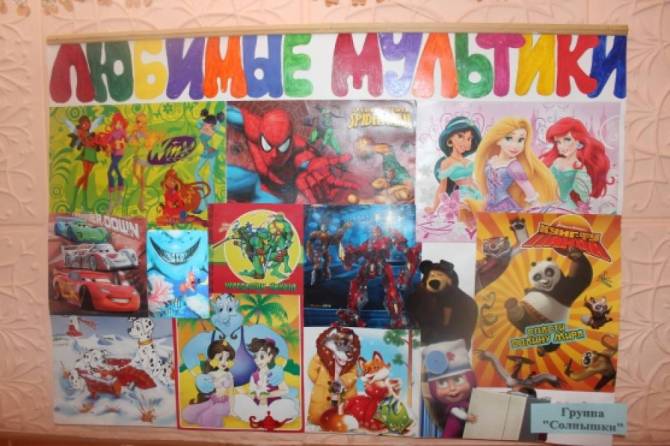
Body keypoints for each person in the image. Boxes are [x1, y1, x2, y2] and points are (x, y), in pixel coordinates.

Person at [473, 117, 558, 212]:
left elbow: (530, 192)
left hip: (505, 207)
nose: (515, 146)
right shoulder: (492, 160)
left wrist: (536, 208)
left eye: (520, 140)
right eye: (509, 138)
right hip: (489, 206)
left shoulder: (514, 166)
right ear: (498, 140)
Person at [541, 117, 612, 211]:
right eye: (558, 142)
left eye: (567, 139)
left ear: (579, 142)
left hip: (566, 206)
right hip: (548, 203)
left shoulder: (579, 166)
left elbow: (584, 195)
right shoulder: (556, 161)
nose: (562, 146)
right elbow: (545, 183)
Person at [422, 339, 477, 438]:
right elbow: (458, 413)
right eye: (442, 383)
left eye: (458, 380)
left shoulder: (471, 402)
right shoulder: (453, 407)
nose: (452, 388)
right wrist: (468, 417)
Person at [182, 339, 236, 428]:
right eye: (220, 358)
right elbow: (205, 389)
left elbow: (231, 394)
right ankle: (200, 417)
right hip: (211, 401)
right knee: (189, 412)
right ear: (212, 359)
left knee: (211, 413)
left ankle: (209, 421)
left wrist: (232, 409)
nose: (224, 362)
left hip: (224, 404)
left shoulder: (228, 375)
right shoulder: (210, 374)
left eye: (227, 359)